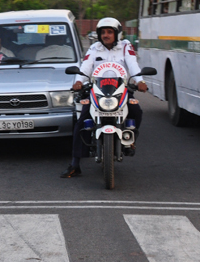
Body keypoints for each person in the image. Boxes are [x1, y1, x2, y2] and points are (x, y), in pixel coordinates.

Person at [61, 17, 148, 177]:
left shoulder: (125, 47)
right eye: (103, 32)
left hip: (121, 90)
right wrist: (79, 82)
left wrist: (140, 81)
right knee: (82, 121)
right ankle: (75, 163)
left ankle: (130, 140)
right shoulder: (94, 48)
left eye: (109, 32)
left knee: (136, 110)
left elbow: (133, 64)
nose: (106, 35)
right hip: (97, 91)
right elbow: (86, 67)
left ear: (117, 34)